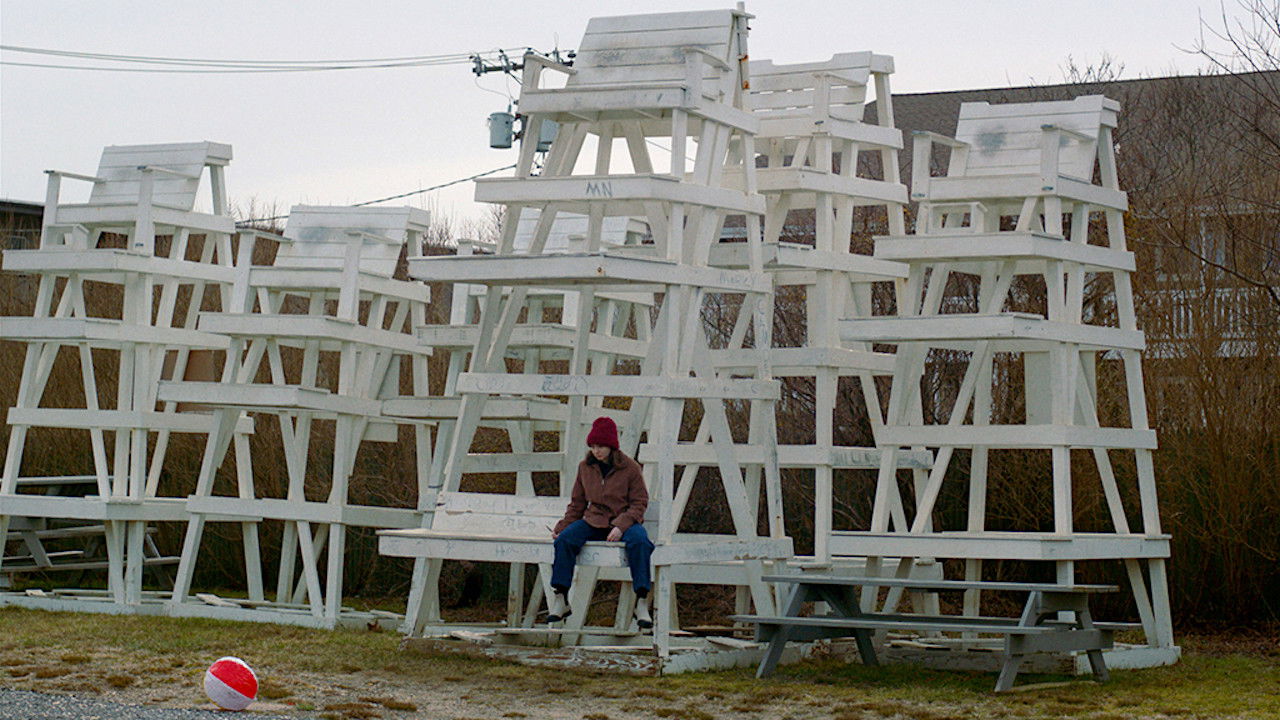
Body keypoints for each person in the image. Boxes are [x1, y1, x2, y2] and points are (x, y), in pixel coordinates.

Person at [549, 416, 655, 629]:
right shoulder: (585, 467)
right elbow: (577, 504)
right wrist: (562, 527)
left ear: (611, 446)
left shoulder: (630, 468)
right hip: (594, 520)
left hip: (624, 520)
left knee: (641, 542)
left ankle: (642, 601)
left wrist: (621, 526)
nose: (597, 451)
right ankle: (561, 598)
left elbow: (639, 502)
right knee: (565, 540)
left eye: (601, 446)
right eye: (593, 446)